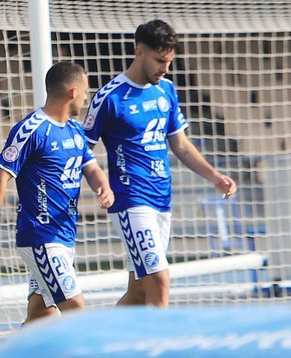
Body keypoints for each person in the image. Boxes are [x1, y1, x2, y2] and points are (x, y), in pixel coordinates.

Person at [85, 20, 237, 309]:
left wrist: (214, 176)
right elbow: (83, 150)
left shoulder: (166, 90)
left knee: (140, 292)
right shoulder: (109, 97)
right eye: (160, 61)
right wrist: (101, 184)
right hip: (131, 201)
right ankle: (160, 351)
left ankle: (97, 345)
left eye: (169, 62)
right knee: (160, 280)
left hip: (162, 200)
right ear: (138, 52)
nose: (165, 69)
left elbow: (180, 144)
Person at [0, 62, 115, 322]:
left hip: (64, 235)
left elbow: (90, 167)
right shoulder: (32, 130)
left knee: (41, 316)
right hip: (41, 237)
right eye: (84, 90)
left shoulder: (74, 130)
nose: (86, 96)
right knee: (75, 306)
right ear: (72, 92)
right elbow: (1, 174)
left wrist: (103, 187)